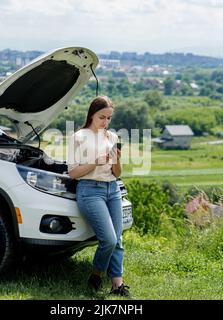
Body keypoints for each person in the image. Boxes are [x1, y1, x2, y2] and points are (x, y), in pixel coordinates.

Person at [67, 96, 130, 297]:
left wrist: (117, 160)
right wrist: (95, 161)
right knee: (109, 240)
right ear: (92, 114)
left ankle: (117, 286)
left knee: (118, 240)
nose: (106, 122)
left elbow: (117, 173)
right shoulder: (78, 137)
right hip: (89, 191)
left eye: (109, 118)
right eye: (102, 117)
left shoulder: (111, 137)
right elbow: (73, 173)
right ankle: (95, 275)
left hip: (113, 189)